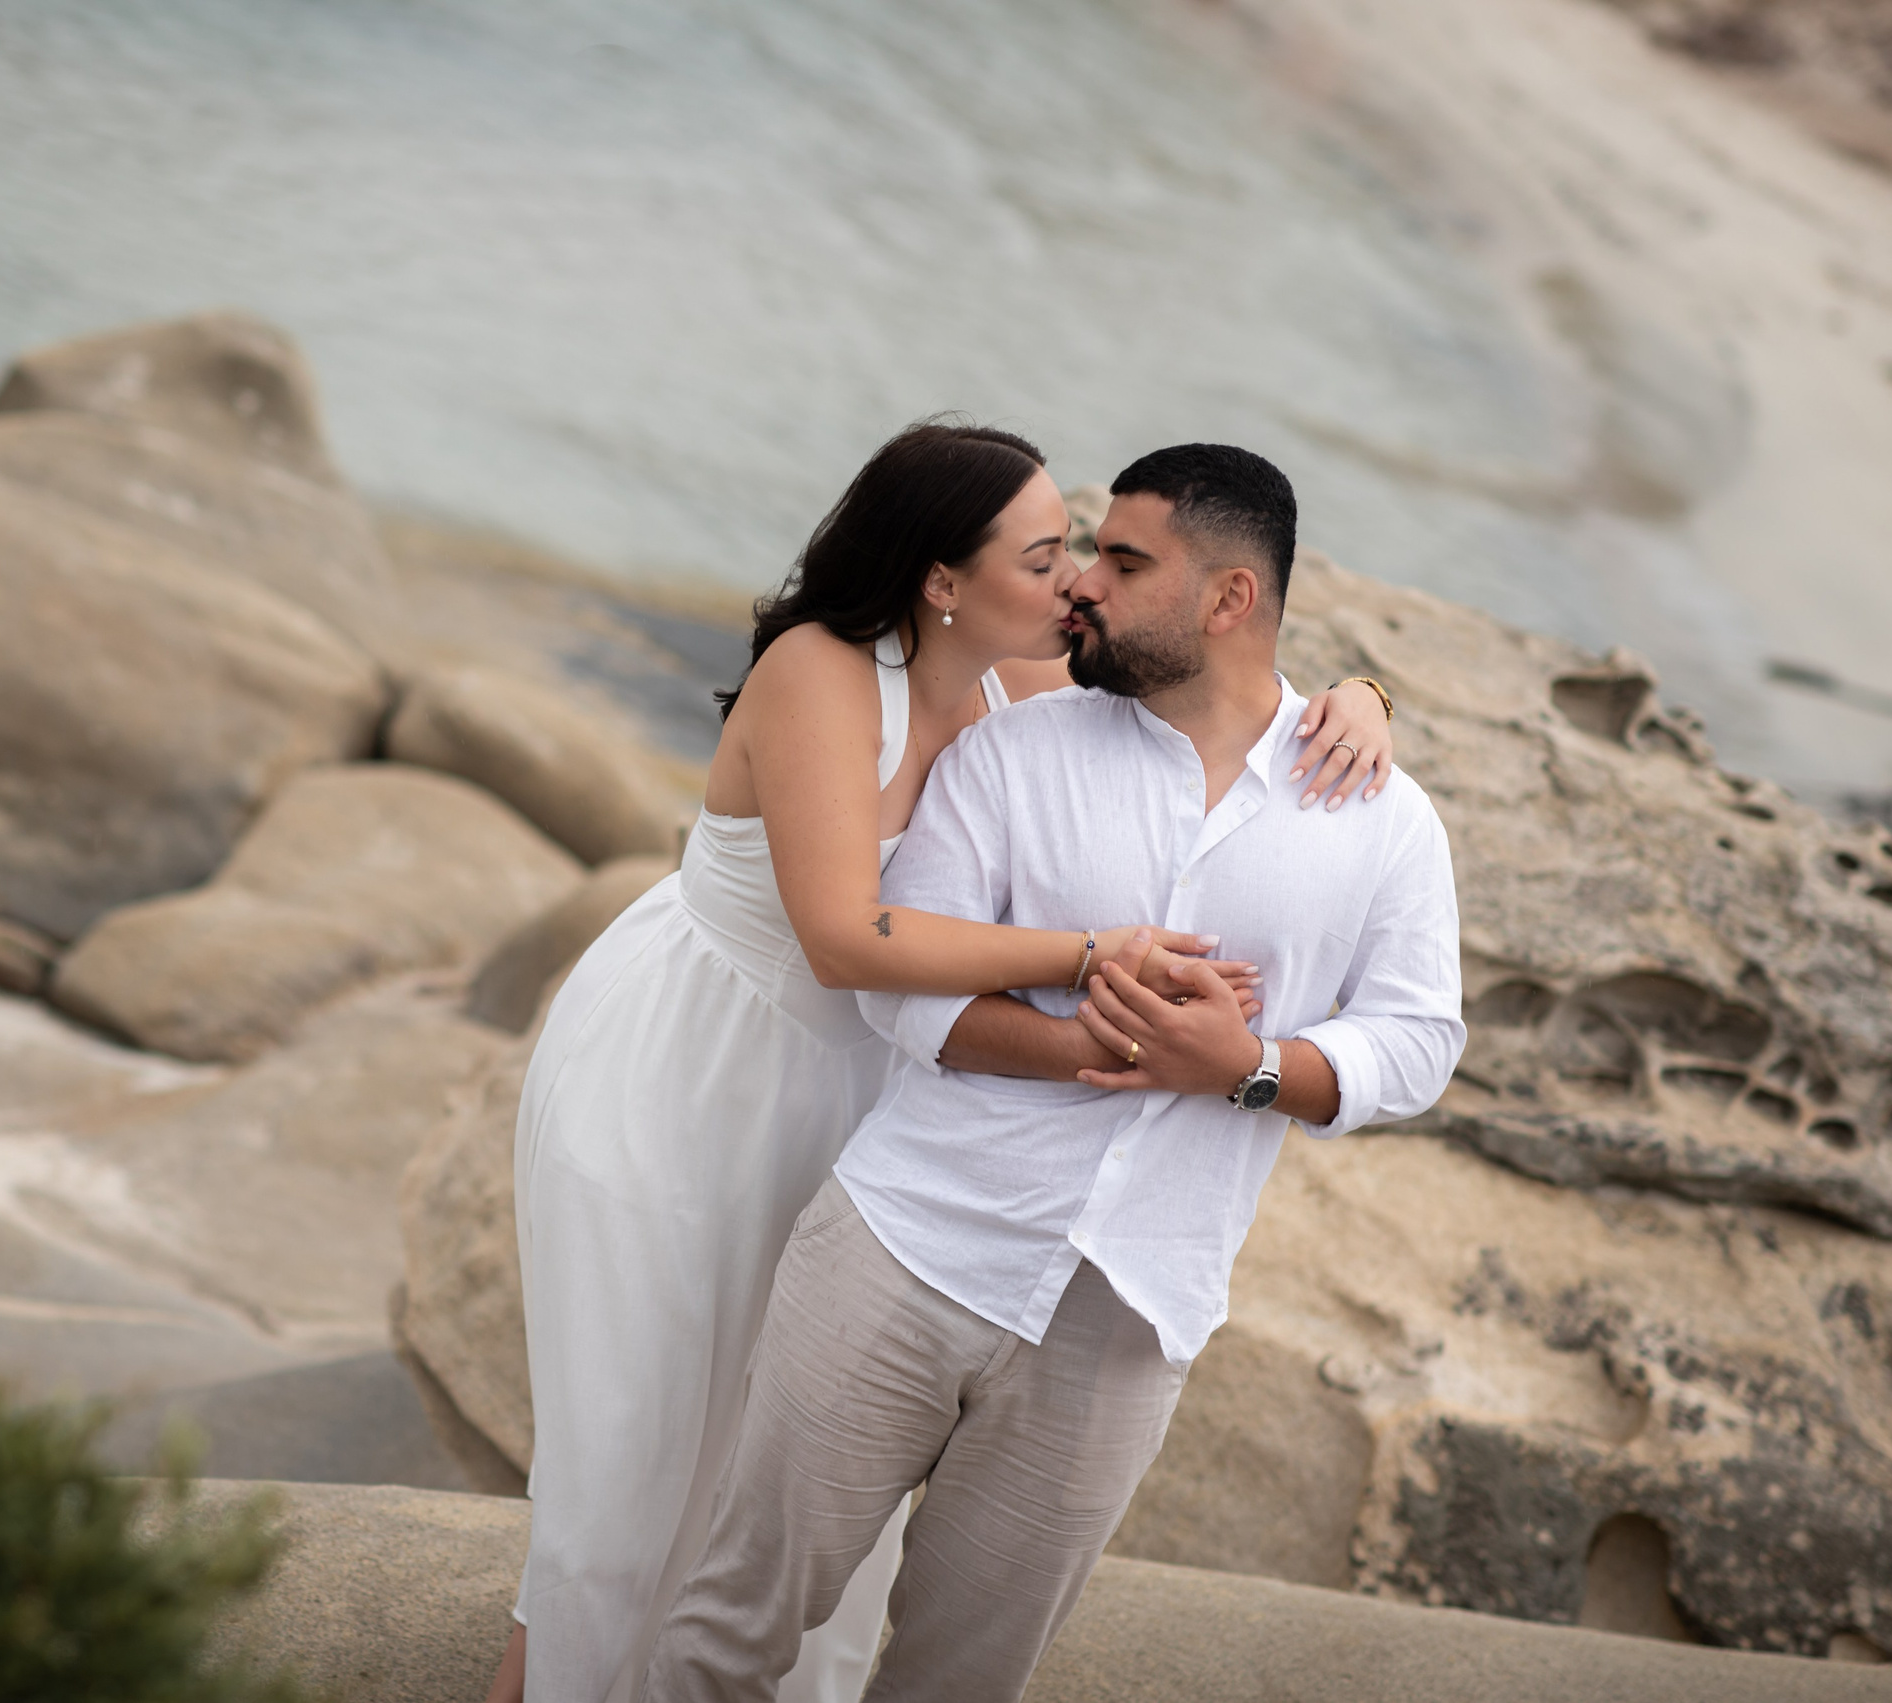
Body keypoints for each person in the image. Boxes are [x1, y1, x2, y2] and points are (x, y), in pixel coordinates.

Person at [487, 424, 1397, 1703]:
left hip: (856, 1092)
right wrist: (1091, 953)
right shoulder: (820, 672)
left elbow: (1216, 670)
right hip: (693, 1071)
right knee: (629, 1470)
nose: (1078, 579)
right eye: (1045, 554)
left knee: (781, 1464)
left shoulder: (1023, 681)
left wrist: (1360, 697)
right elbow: (843, 937)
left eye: (1082, 548)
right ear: (941, 580)